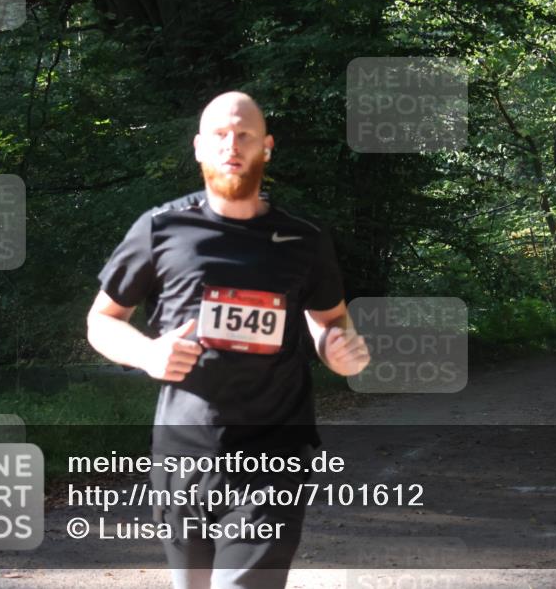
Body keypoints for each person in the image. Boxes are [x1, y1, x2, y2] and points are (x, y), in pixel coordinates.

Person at [86, 91, 370, 589]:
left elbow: (331, 321)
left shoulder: (304, 239)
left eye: (244, 135)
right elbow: (102, 321)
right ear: (199, 147)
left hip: (276, 451)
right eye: (219, 135)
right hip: (184, 450)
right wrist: (148, 353)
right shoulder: (161, 228)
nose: (231, 145)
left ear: (267, 147)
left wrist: (338, 350)